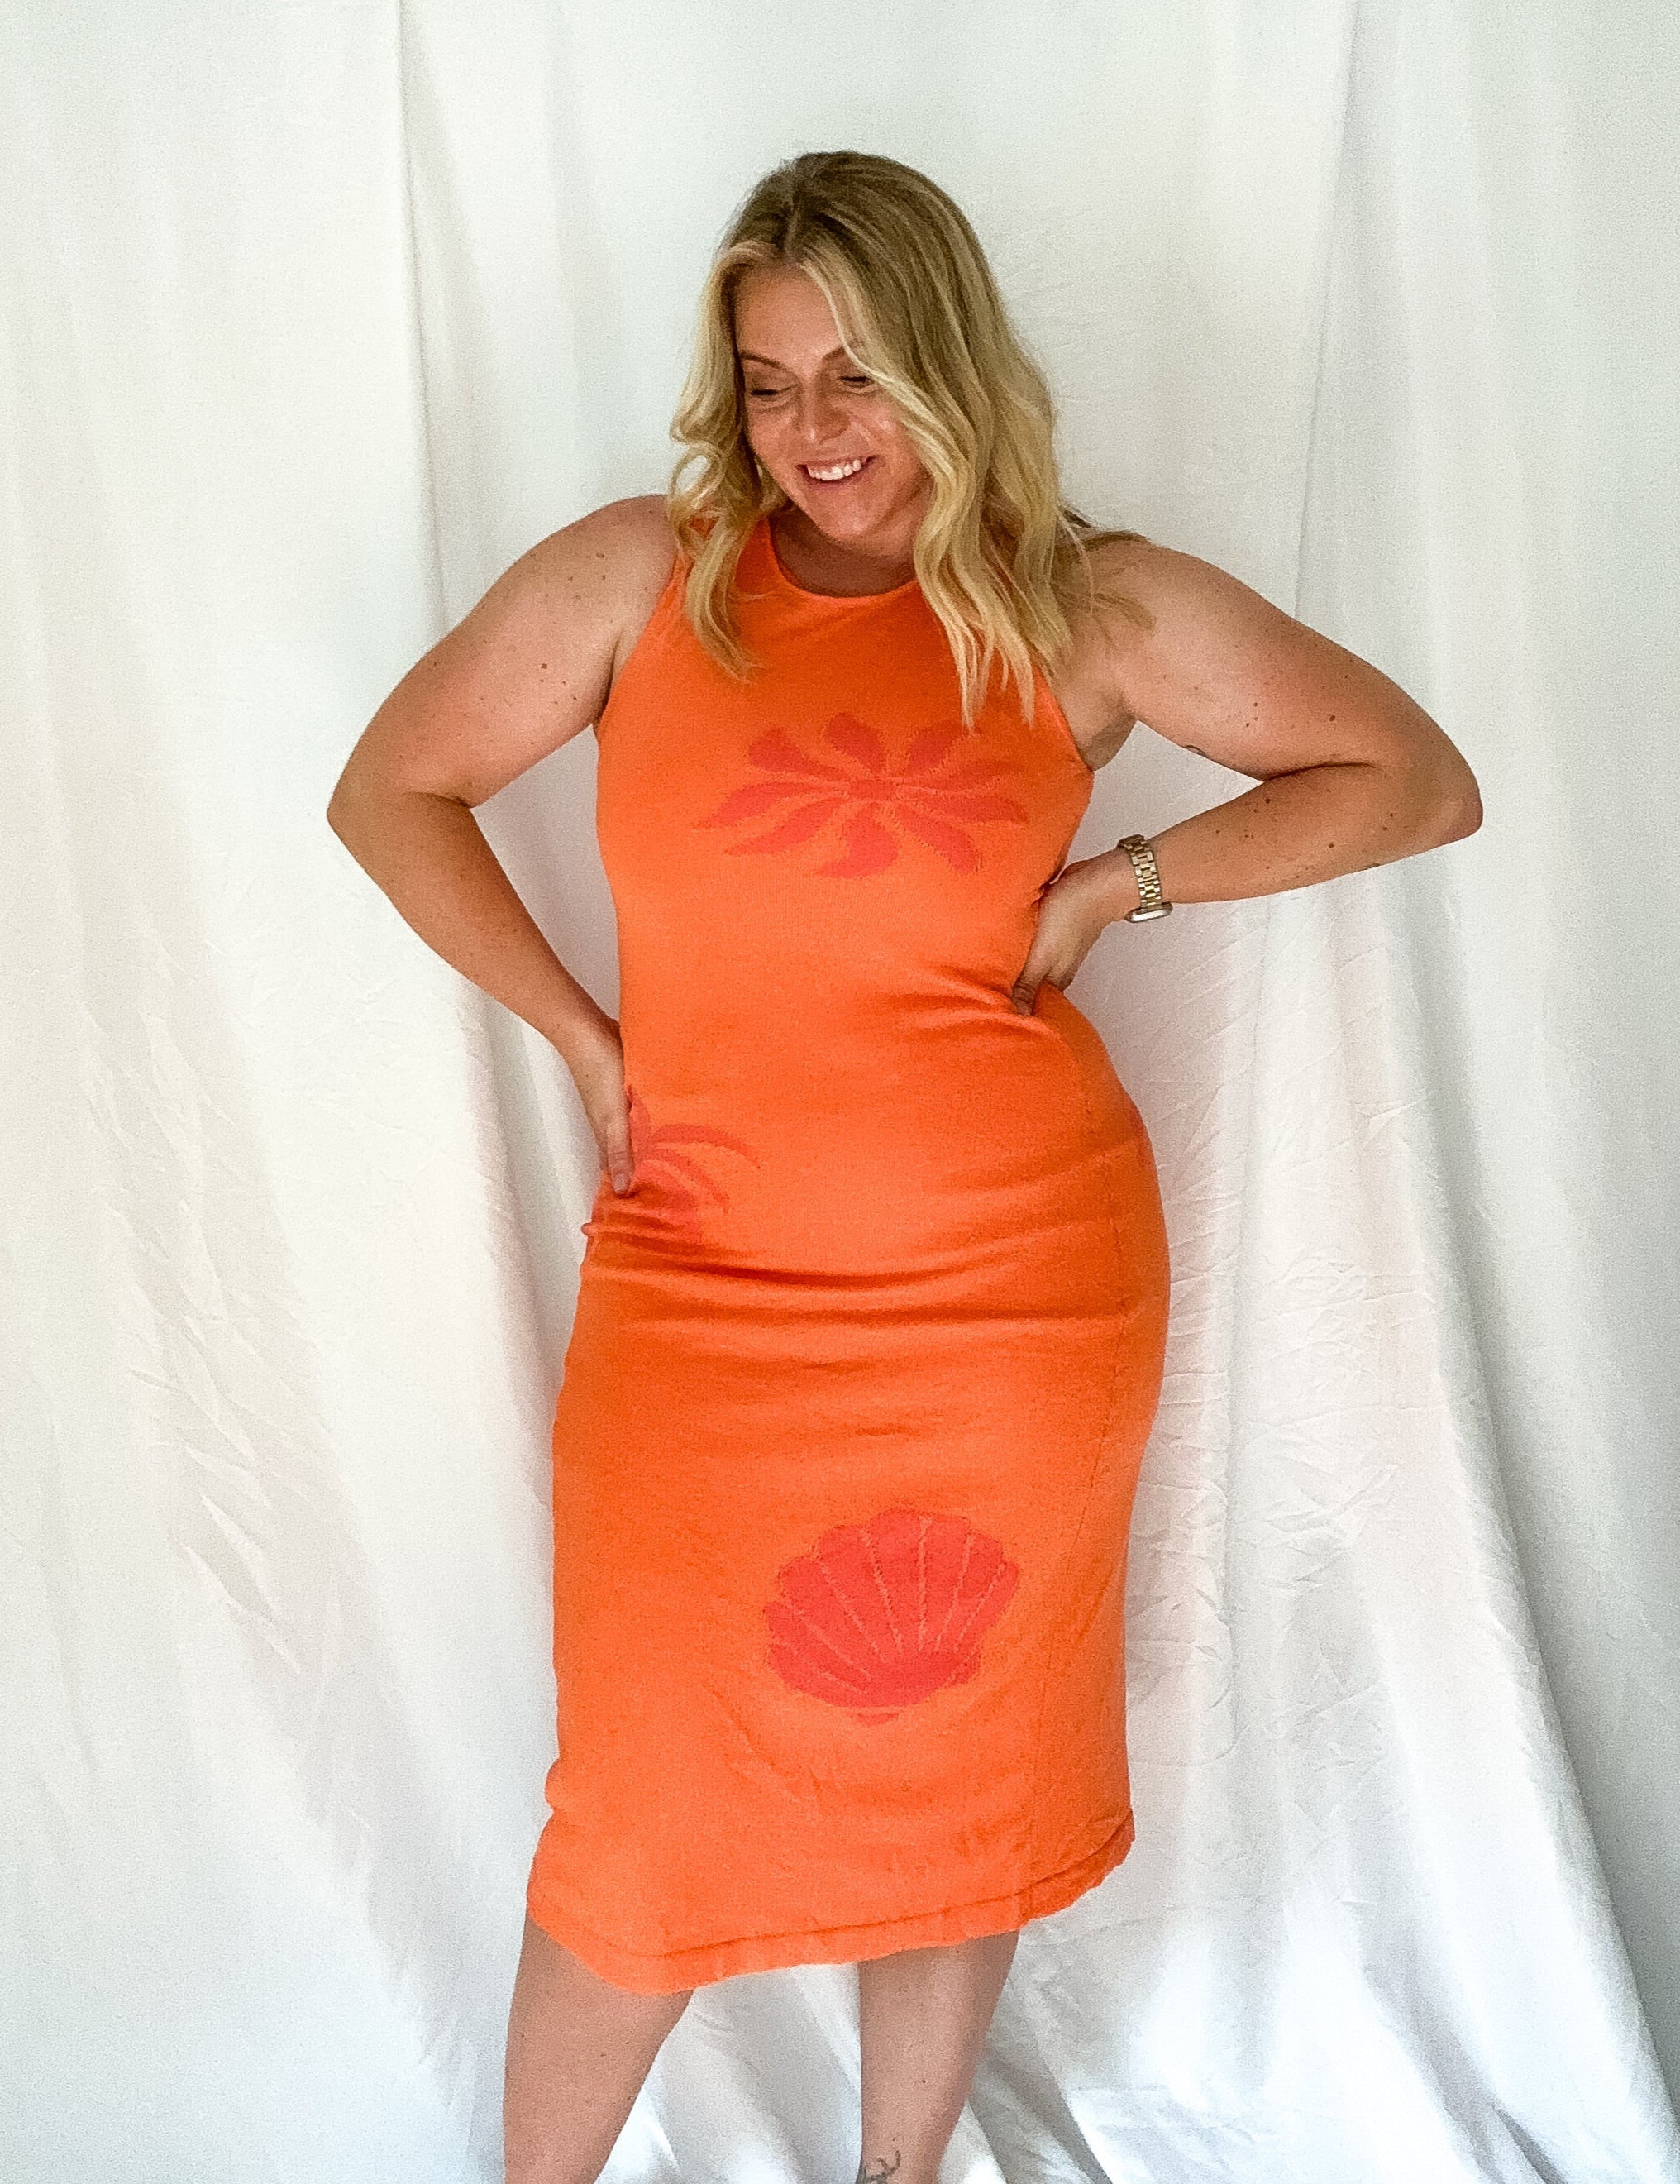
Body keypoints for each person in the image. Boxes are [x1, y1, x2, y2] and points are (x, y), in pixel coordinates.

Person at [327, 149, 1481, 2184]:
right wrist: (585, 1038)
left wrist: (1119, 883)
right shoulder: (639, 580)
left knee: (953, 1768)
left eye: (853, 378)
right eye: (767, 385)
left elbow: (1408, 775)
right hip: (702, 1283)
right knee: (639, 1805)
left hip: (1010, 1307)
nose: (810, 436)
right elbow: (391, 787)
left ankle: (900, 2170)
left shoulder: (1083, 601)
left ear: (950, 366)